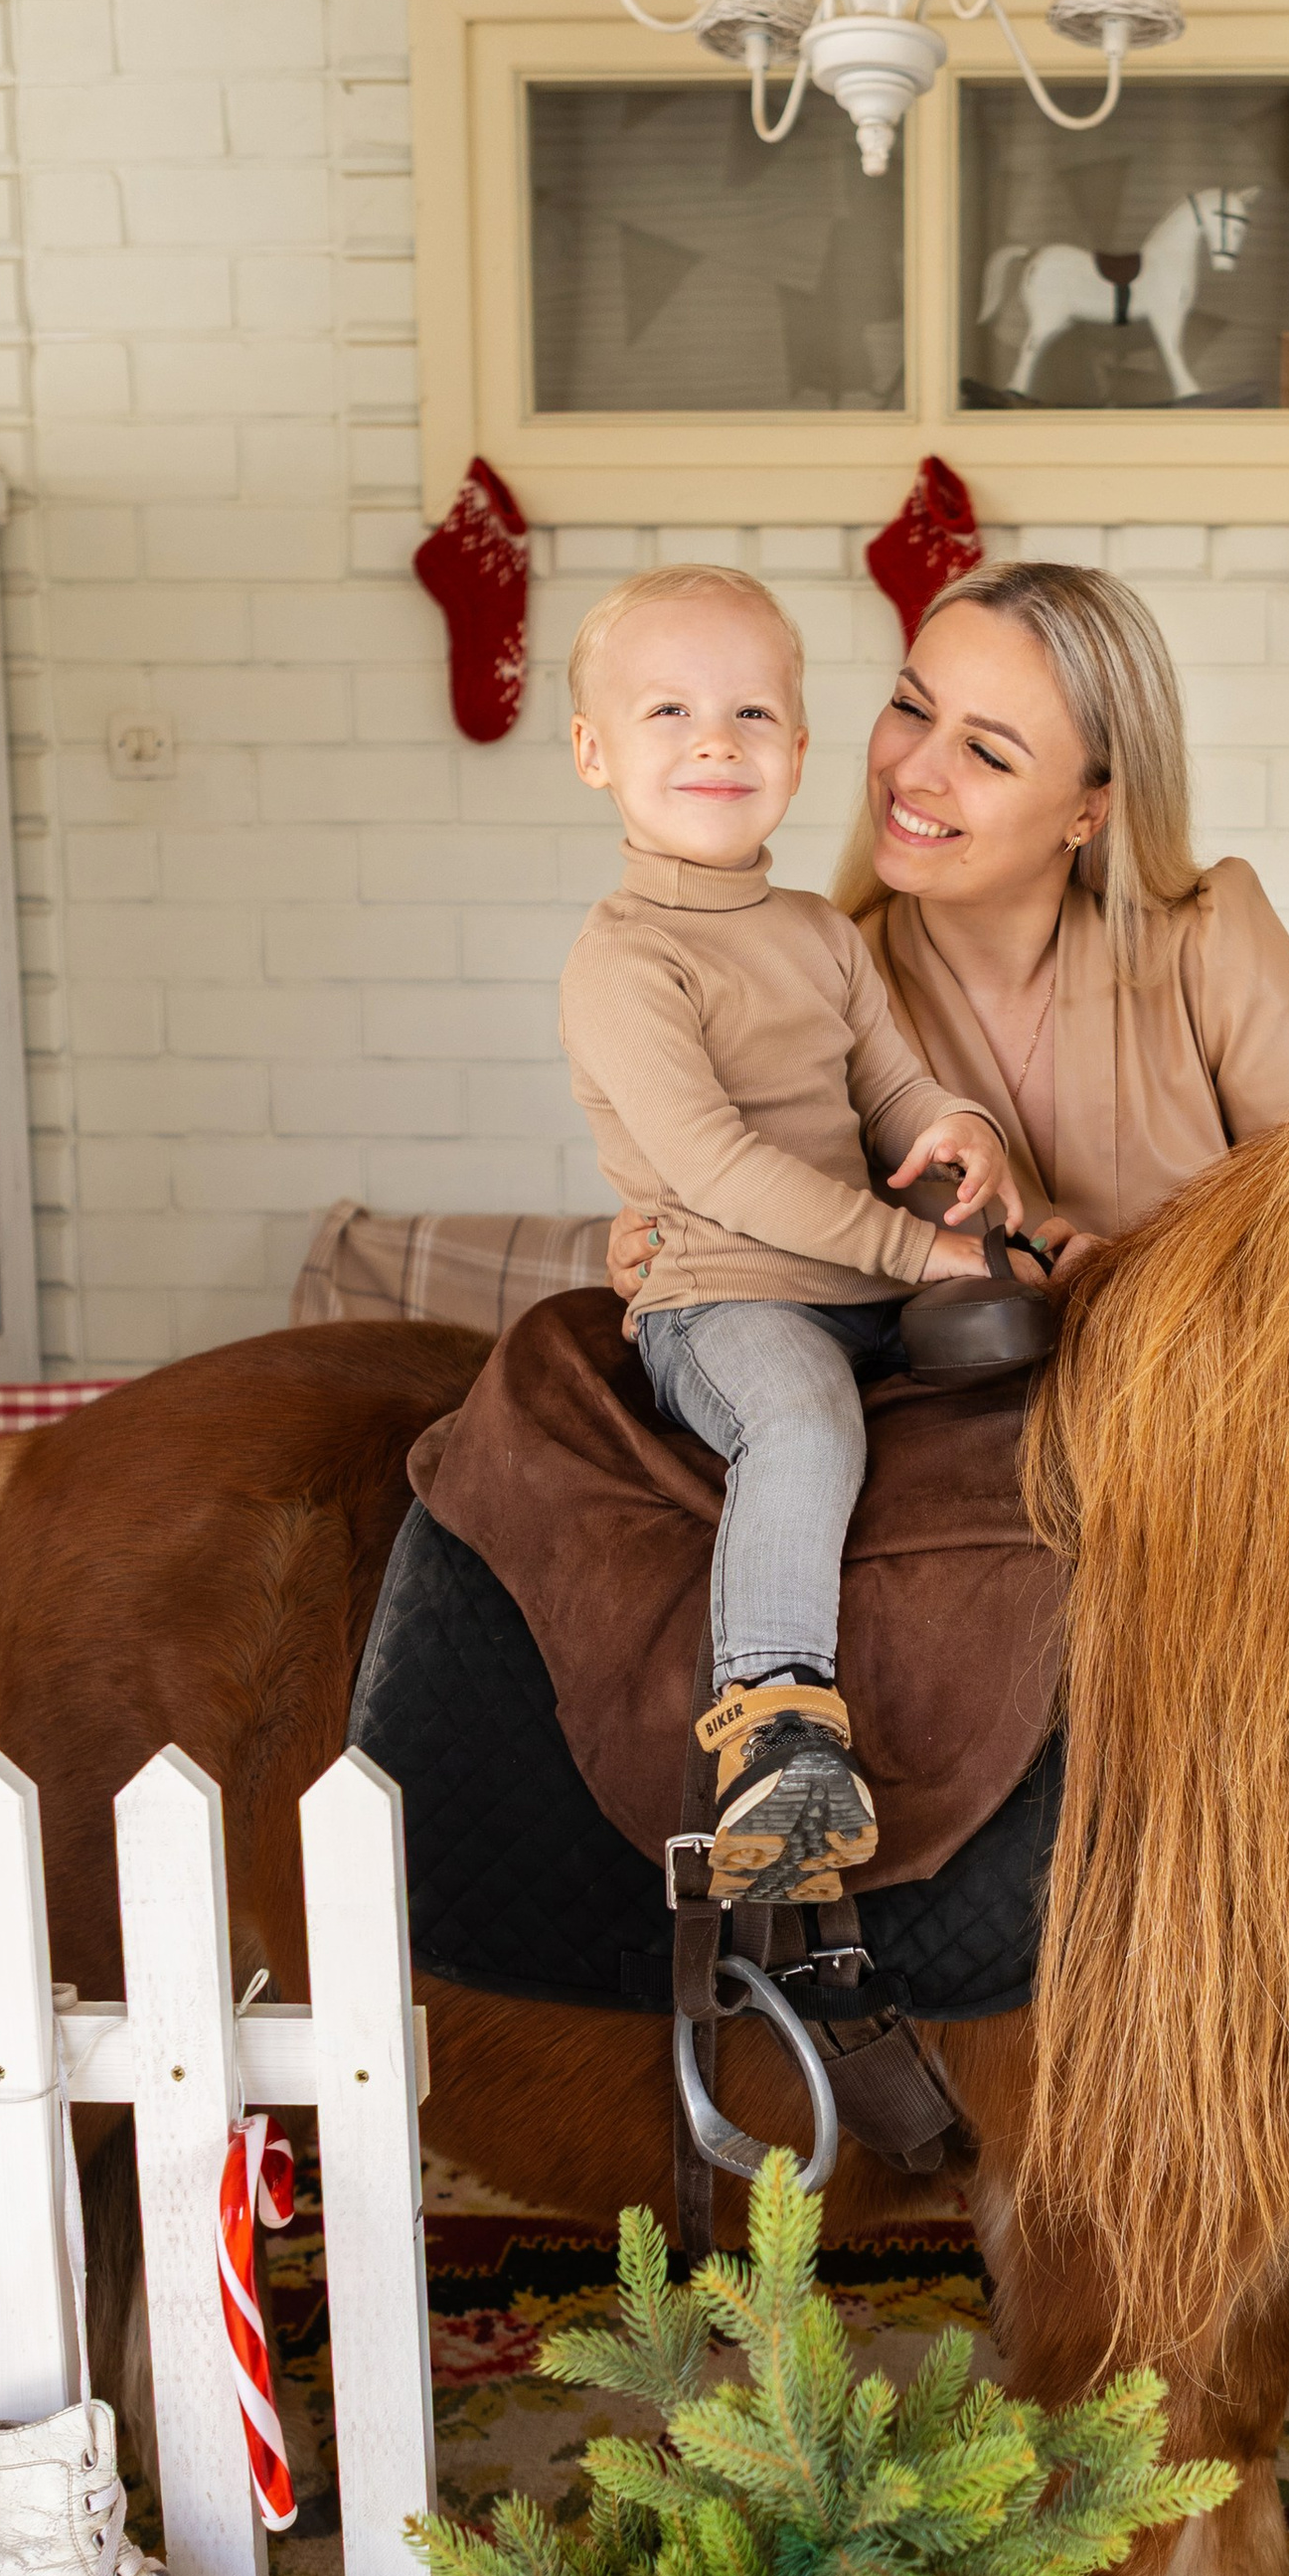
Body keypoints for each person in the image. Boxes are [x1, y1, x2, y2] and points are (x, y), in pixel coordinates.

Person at [561, 563, 1024, 1900]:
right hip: (727, 1294)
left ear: (801, 750)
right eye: (668, 713)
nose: (716, 740)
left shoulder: (823, 933)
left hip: (862, 1280)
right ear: (595, 752)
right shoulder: (626, 957)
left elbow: (889, 1088)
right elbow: (714, 1167)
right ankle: (775, 1726)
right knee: (806, 1424)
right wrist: (912, 1252)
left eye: (753, 714)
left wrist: (958, 1128)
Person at [610, 558, 1289, 1316]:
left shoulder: (1214, 937)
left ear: (1089, 812)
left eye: (988, 752)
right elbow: (739, 1189)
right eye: (911, 708)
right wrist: (659, 1245)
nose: (915, 771)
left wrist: (1148, 1274)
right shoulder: (818, 975)